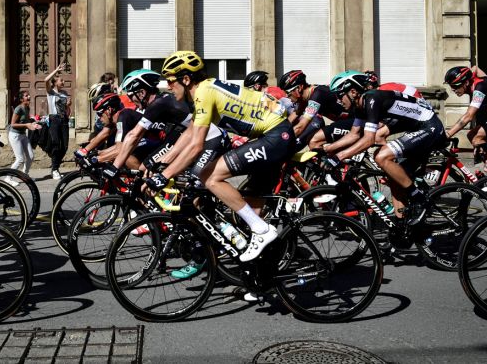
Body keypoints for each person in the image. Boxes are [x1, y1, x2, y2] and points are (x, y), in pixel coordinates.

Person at [151, 51, 296, 263]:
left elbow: (196, 145)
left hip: (275, 137)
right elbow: (191, 131)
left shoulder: (203, 93)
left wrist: (163, 176)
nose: (168, 87)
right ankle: (261, 279)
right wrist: (161, 163)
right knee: (251, 212)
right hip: (272, 136)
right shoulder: (204, 91)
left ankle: (262, 230)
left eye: (171, 81)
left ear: (186, 79)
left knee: (209, 176)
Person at [330, 76, 448, 225]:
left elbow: (368, 140)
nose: (338, 100)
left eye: (339, 95)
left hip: (429, 127)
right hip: (417, 127)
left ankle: (418, 197)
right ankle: (401, 225)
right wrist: (329, 150)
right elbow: (353, 134)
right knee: (393, 176)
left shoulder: (371, 99)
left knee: (381, 156)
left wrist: (338, 157)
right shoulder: (360, 107)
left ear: (353, 92)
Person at [6, 89, 42, 183]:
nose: (29, 97)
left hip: (22, 134)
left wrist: (34, 123)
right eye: (26, 96)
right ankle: (8, 178)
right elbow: (13, 124)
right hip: (14, 135)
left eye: (28, 95)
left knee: (30, 156)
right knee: (20, 159)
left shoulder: (27, 107)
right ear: (22, 99)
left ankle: (25, 176)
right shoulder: (19, 108)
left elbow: (26, 121)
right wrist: (27, 125)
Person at [45, 63, 71, 179]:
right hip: (54, 119)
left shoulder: (65, 94)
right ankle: (55, 169)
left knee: (64, 146)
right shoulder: (51, 92)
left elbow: (67, 110)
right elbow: (46, 80)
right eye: (61, 80)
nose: (63, 82)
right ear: (55, 83)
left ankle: (55, 164)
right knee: (56, 143)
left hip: (64, 120)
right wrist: (57, 70)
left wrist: (69, 107)